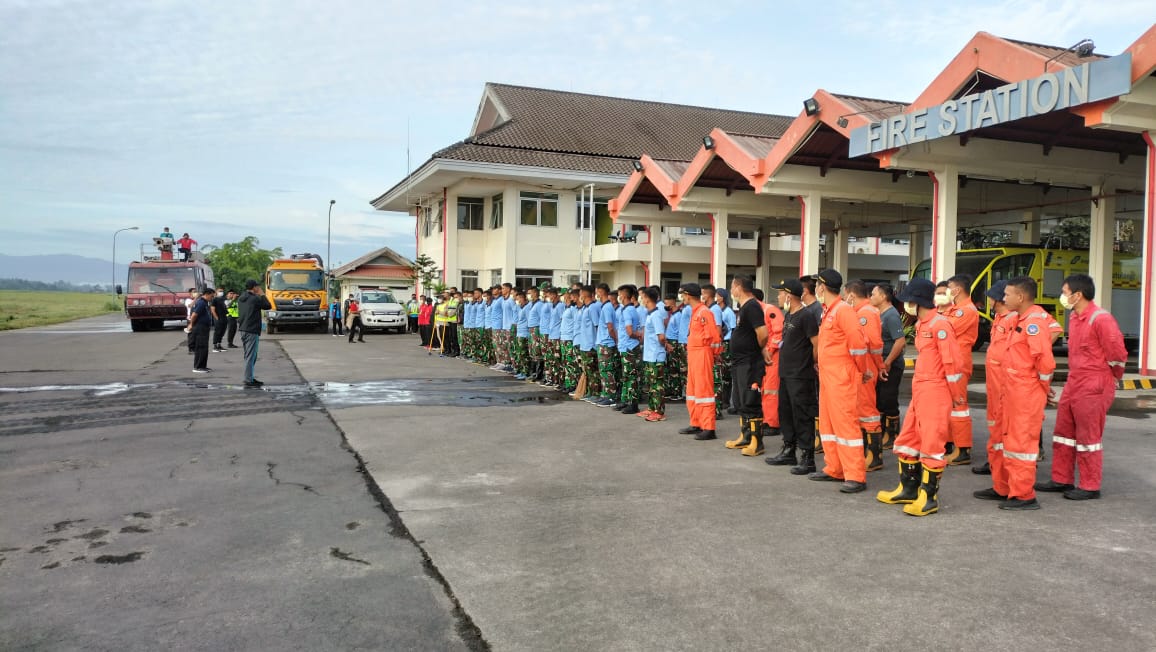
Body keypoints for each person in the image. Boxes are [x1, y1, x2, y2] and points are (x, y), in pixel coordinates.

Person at [1034, 274, 1126, 501]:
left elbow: (1117, 354)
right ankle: (1061, 478)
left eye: (1065, 293)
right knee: (1064, 433)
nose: (1062, 297)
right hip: (1076, 382)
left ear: (1078, 295)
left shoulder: (1101, 319)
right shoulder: (1076, 318)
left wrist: (1110, 377)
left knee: (1088, 437)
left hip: (1094, 383)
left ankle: (1089, 484)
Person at [876, 278, 964, 516]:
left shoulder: (940, 325)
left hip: (936, 391)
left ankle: (929, 497)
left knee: (932, 444)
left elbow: (952, 363)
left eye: (909, 302)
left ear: (917, 302)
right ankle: (908, 489)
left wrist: (956, 396)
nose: (906, 306)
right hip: (921, 390)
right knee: (908, 439)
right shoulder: (922, 325)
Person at [990, 276, 1056, 511]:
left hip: (1025, 392)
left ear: (1020, 297)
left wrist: (1043, 390)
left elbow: (1045, 363)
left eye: (1007, 294)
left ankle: (1024, 495)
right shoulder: (1020, 318)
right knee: (1003, 439)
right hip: (1013, 390)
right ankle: (1005, 488)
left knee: (1021, 445)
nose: (1003, 298)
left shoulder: (1033, 323)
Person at [809, 269, 870, 494]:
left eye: (817, 285)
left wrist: (862, 370)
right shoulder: (830, 311)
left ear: (822, 287)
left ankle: (855, 475)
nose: (816, 288)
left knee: (846, 425)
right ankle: (834, 468)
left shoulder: (843, 311)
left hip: (842, 378)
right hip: (829, 377)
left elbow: (857, 344)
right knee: (828, 425)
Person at [765, 279, 820, 474]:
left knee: (803, 415)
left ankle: (807, 456)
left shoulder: (806, 316)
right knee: (786, 413)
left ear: (789, 295)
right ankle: (789, 449)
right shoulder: (790, 315)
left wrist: (810, 362)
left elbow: (816, 343)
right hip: (786, 374)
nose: (778, 297)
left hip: (800, 375)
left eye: (780, 293)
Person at [722, 275, 767, 455]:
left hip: (750, 362)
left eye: (732, 287)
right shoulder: (744, 307)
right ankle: (745, 436)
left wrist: (759, 349)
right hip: (740, 362)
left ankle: (757, 442)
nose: (731, 291)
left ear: (738, 287)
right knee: (741, 402)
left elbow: (763, 334)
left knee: (751, 401)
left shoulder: (752, 306)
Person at [973, 280, 1011, 479]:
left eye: (990, 297)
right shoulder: (999, 317)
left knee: (1005, 423)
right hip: (994, 381)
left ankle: (1002, 464)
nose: (987, 300)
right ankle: (995, 460)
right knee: (994, 422)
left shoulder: (1014, 318)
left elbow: (1053, 330)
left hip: (1006, 381)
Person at [941, 274, 980, 465]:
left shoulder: (966, 311)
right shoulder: (954, 309)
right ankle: (950, 443)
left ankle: (962, 448)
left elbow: (944, 330)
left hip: (959, 362)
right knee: (949, 406)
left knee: (958, 406)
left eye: (949, 287)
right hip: (950, 361)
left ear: (957, 290)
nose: (947, 291)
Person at [845, 280, 885, 472]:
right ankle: (866, 452)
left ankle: (875, 456)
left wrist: (879, 365)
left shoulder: (865, 313)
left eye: (846, 295)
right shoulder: (861, 312)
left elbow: (873, 343)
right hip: (862, 367)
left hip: (866, 368)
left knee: (868, 411)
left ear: (851, 295)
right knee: (860, 409)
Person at [677, 283, 722, 441]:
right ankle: (696, 422)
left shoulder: (704, 312)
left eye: (683, 295)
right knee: (693, 391)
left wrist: (714, 354)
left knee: (704, 392)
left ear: (688, 295)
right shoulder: (696, 311)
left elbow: (715, 337)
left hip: (702, 354)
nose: (682, 298)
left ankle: (709, 428)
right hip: (695, 355)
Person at [870, 283, 905, 449]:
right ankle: (883, 431)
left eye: (873, 294)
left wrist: (888, 362)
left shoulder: (891, 315)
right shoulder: (879, 313)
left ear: (883, 297)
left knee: (888, 399)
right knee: (880, 400)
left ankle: (892, 434)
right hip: (881, 364)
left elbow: (900, 341)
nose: (871, 297)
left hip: (891, 365)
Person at [639, 286, 668, 422]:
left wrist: (665, 346)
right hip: (649, 355)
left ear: (647, 298)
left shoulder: (656, 315)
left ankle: (659, 411)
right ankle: (652, 408)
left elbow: (661, 336)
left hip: (656, 355)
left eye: (643, 297)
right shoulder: (650, 314)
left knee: (657, 385)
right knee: (651, 384)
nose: (641, 299)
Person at [237, 279, 272, 387]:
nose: (259, 288)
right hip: (252, 330)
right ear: (254, 287)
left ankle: (250, 377)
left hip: (243, 329)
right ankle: (248, 379)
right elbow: (268, 306)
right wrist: (262, 294)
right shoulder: (255, 299)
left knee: (249, 355)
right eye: (258, 286)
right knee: (251, 356)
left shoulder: (241, 298)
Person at [615, 285, 643, 414]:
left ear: (625, 296)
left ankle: (633, 404)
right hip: (626, 346)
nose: (619, 297)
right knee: (626, 376)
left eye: (620, 294)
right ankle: (626, 401)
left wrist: (639, 335)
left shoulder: (628, 310)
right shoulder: (627, 309)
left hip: (629, 347)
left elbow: (630, 331)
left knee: (630, 376)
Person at [186, 288, 215, 373]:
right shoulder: (201, 302)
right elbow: (194, 315)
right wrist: (191, 324)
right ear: (207, 294)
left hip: (204, 328)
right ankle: (198, 367)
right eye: (211, 296)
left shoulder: (205, 303)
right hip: (200, 328)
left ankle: (203, 366)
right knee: (201, 347)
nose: (212, 298)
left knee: (204, 347)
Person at [664, 296, 684, 402]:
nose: (665, 306)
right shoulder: (673, 315)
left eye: (666, 304)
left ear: (672, 304)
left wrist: (673, 344)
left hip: (675, 342)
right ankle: (672, 389)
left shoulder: (678, 315)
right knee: (671, 368)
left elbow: (680, 331)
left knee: (675, 368)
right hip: (670, 342)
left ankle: (677, 392)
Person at [211, 287, 229, 353]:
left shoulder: (224, 299)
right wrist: (216, 318)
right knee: (217, 332)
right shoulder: (214, 299)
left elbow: (227, 306)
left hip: (224, 317)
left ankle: (219, 345)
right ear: (216, 292)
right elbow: (212, 309)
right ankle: (215, 346)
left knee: (222, 331)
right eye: (220, 291)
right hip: (218, 318)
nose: (221, 292)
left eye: (222, 291)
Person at [185, 288, 197, 354]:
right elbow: (190, 306)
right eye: (194, 292)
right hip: (190, 319)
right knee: (191, 334)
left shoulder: (198, 300)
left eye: (196, 292)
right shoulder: (188, 300)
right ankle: (191, 348)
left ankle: (195, 347)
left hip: (197, 319)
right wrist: (196, 298)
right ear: (190, 293)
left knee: (196, 334)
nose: (195, 293)